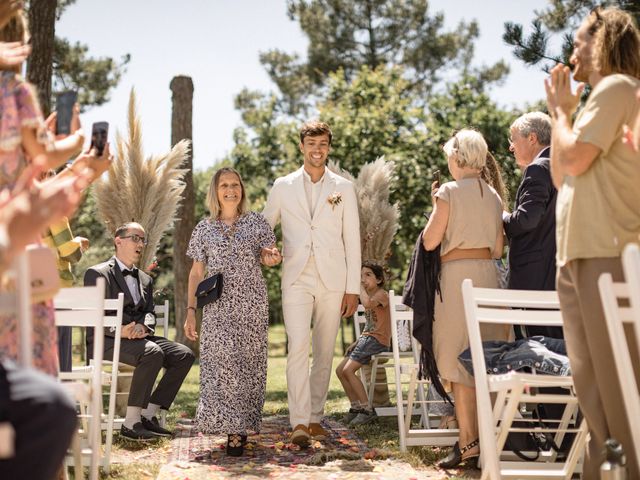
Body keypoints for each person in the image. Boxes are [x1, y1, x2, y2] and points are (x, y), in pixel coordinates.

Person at [544, 7, 640, 479]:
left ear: (602, 43)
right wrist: (561, 114)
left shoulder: (619, 88)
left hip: (608, 254)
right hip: (578, 257)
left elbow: (575, 159)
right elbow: (560, 176)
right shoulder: (593, 102)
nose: (571, 51)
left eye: (579, 40)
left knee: (619, 387)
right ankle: (605, 472)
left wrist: (562, 113)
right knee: (593, 391)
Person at [263, 120, 361, 447]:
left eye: (322, 144)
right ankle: (299, 422)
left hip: (334, 278)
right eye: (311, 144)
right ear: (302, 146)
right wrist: (268, 251)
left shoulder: (343, 187)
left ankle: (316, 417)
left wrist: (353, 288)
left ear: (328, 148)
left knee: (323, 350)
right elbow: (264, 229)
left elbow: (353, 240)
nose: (316, 150)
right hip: (296, 276)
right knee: (298, 348)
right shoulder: (283, 185)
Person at [422, 129, 510, 468]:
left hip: (458, 279)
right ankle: (485, 443)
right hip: (489, 278)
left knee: (459, 359)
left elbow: (430, 241)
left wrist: (437, 208)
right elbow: (500, 248)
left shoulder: (448, 191)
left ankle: (469, 444)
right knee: (484, 359)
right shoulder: (494, 196)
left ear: (458, 158)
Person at [184, 167, 280, 457]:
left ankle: (240, 427)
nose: (230, 190)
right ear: (215, 191)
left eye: (235, 184)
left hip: (252, 303)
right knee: (221, 363)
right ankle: (229, 426)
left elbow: (268, 255)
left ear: (242, 189)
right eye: (224, 185)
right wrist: (191, 310)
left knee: (248, 365)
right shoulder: (204, 228)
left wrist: (272, 257)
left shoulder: (257, 222)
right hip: (217, 306)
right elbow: (195, 273)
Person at [84, 222, 195, 441]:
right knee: (152, 352)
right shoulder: (96, 273)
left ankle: (148, 416)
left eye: (142, 240)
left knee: (184, 355)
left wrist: (144, 326)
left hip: (142, 339)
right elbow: (92, 315)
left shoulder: (145, 279)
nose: (140, 244)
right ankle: (131, 423)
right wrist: (121, 331)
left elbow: (149, 313)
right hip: (105, 341)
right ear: (118, 241)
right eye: (135, 238)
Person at [503, 112, 561, 338]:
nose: (511, 147)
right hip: (557, 276)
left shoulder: (538, 169)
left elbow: (527, 219)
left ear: (532, 138)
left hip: (534, 281)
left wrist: (503, 216)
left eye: (513, 139)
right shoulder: (564, 167)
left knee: (538, 352)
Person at [335, 262, 390, 426]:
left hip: (377, 341)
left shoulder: (382, 294)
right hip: (368, 339)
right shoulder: (369, 295)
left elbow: (367, 304)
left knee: (349, 370)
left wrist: (357, 287)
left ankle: (367, 410)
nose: (363, 279)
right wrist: (357, 341)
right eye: (360, 276)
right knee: (340, 371)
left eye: (368, 275)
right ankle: (356, 407)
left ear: (379, 279)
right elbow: (370, 324)